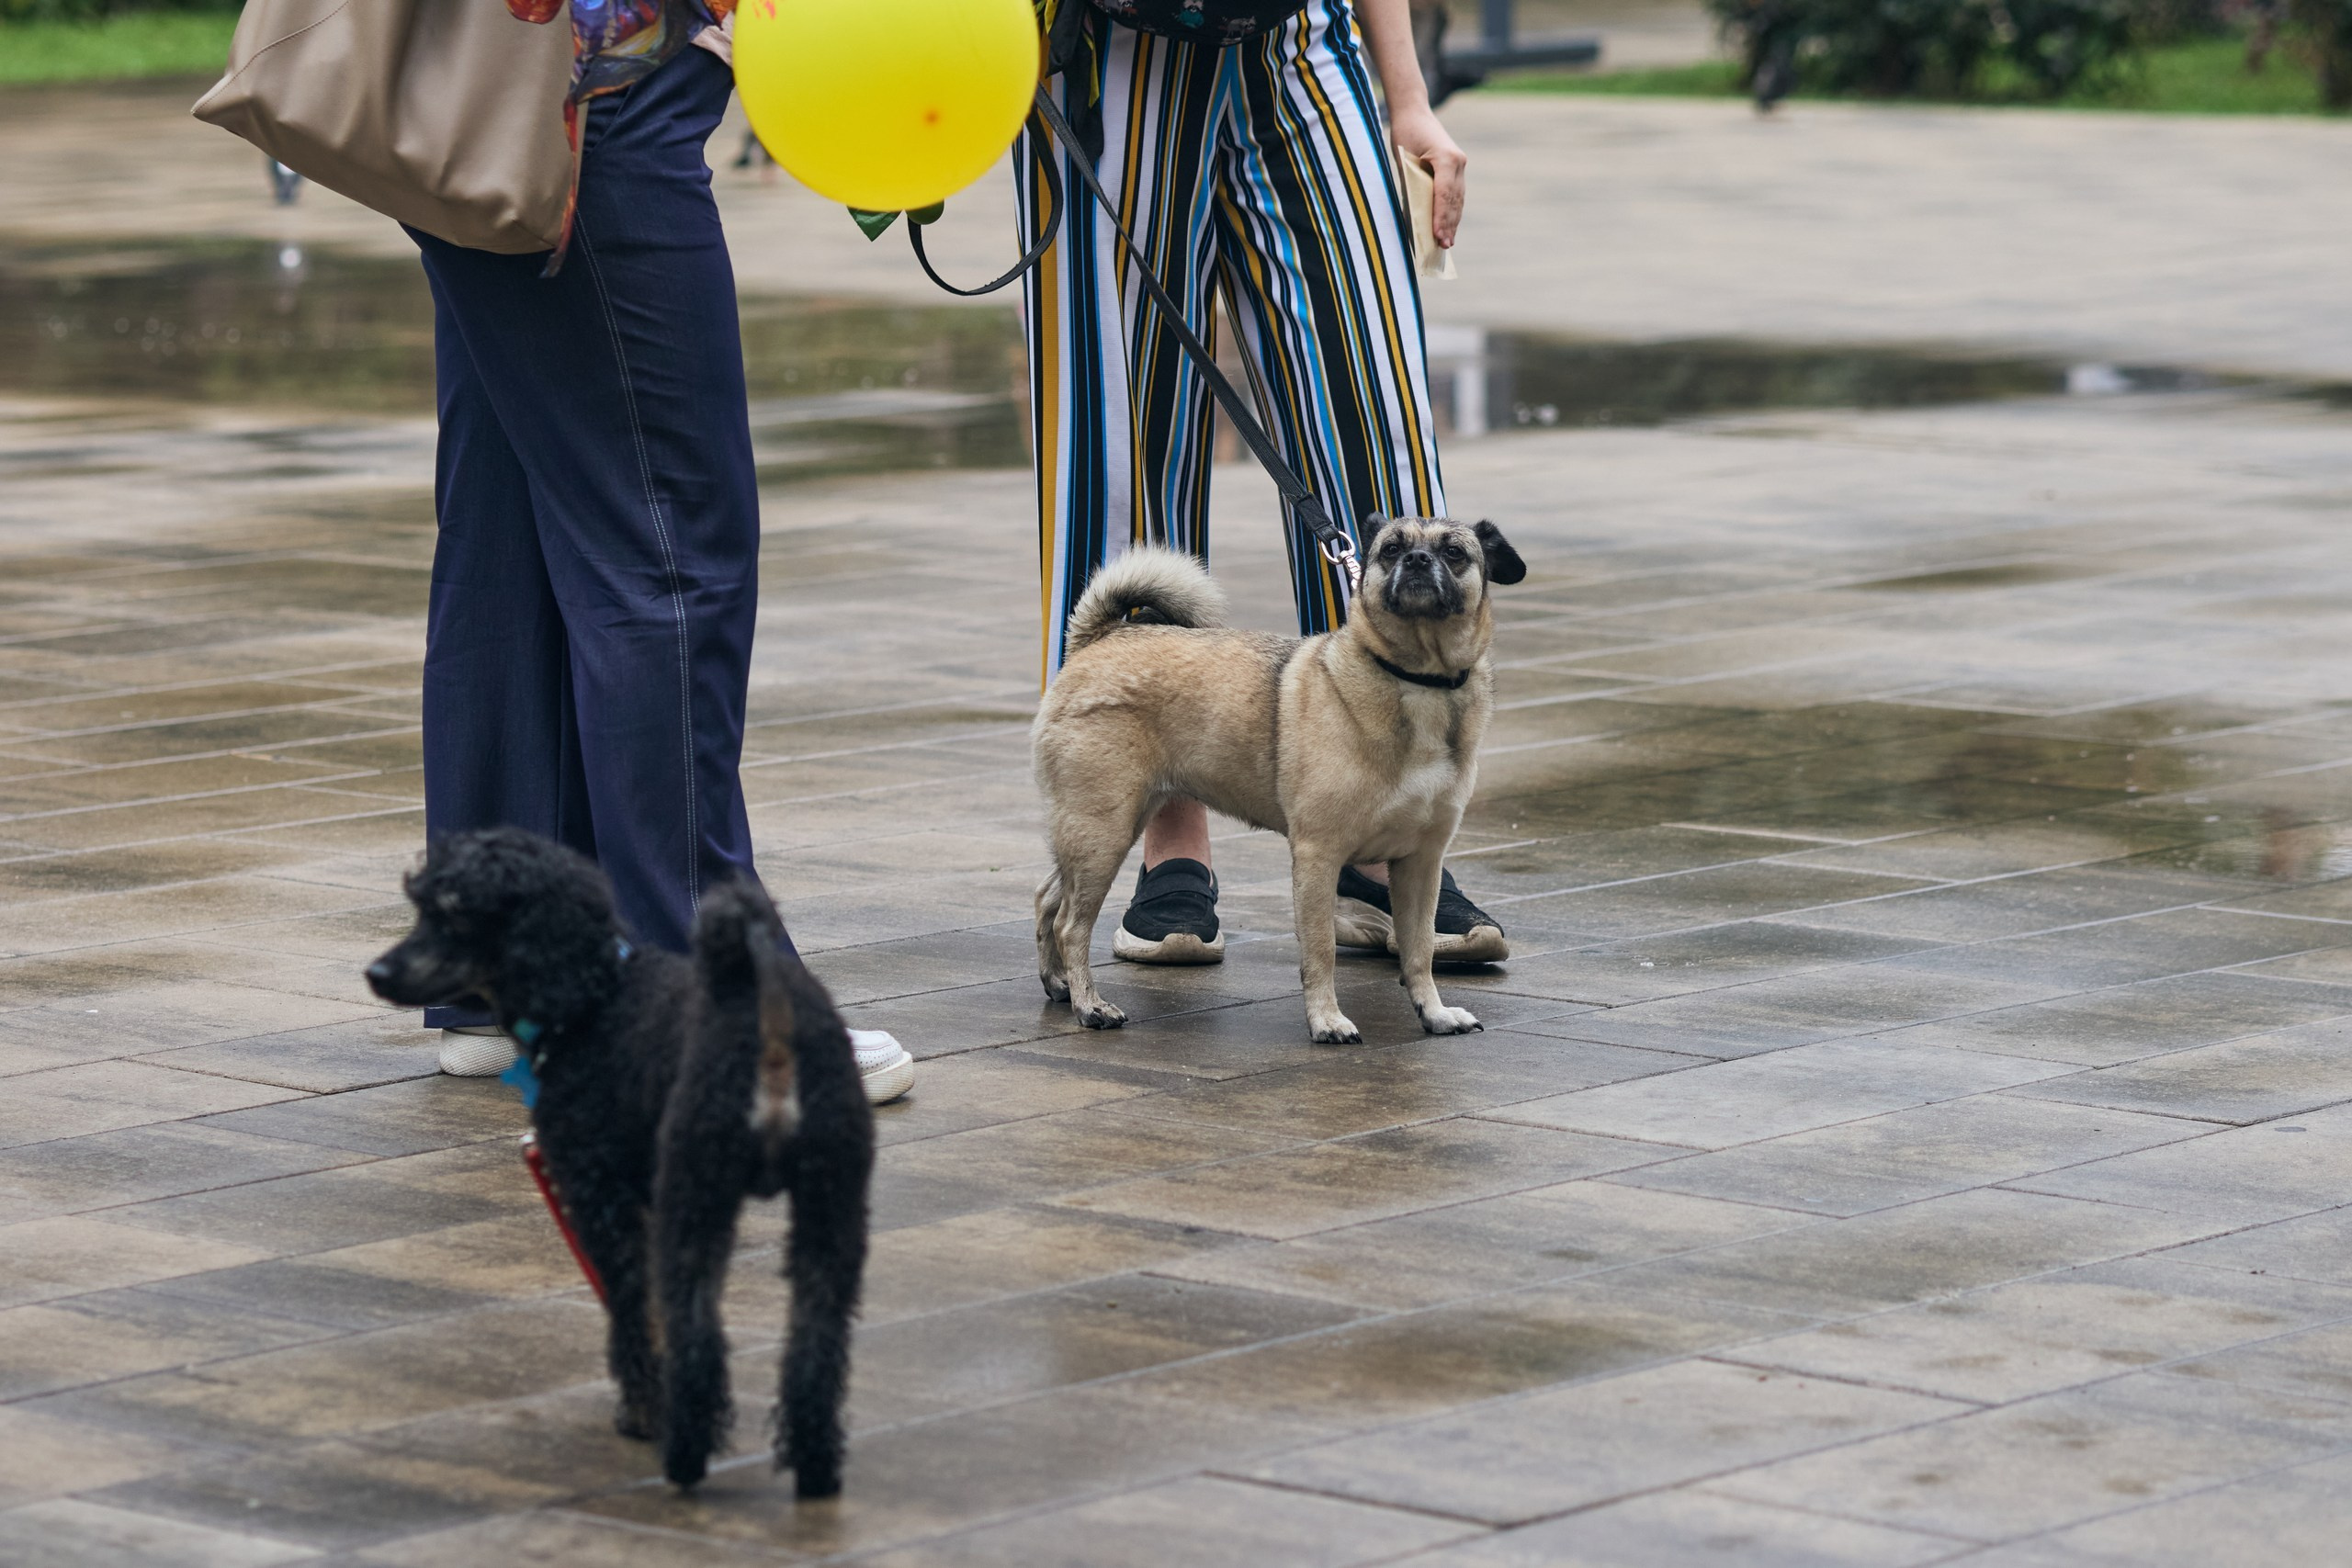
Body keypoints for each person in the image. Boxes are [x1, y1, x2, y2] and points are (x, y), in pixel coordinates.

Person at [409, 0, 915, 1105]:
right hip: (598, 92)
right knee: (670, 541)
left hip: (483, 87)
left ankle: (509, 967)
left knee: (511, 529)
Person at [1019, 0, 1510, 968]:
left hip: (1299, 46)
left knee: (1373, 421)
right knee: (1119, 442)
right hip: (1114, 58)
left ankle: (1379, 837)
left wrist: (1407, 96)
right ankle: (1168, 828)